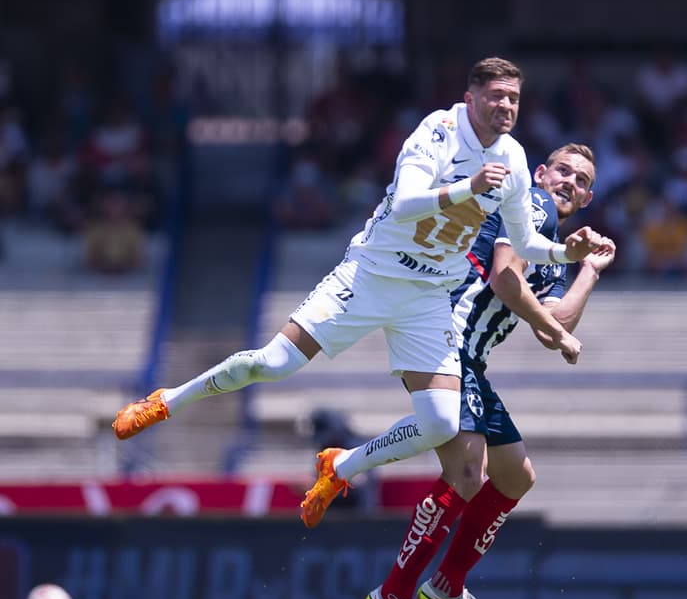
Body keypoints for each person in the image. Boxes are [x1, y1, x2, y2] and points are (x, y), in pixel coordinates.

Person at [112, 57, 612, 535]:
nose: (507, 107)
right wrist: (467, 188)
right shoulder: (437, 132)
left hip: (428, 296)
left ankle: (341, 466)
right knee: (272, 363)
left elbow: (527, 245)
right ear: (471, 97)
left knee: (440, 423)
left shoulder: (514, 158)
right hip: (371, 276)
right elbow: (405, 206)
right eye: (497, 96)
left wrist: (568, 254)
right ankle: (166, 401)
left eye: (515, 100)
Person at [365, 143, 613, 599]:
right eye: (561, 170)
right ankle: (393, 595)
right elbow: (505, 281)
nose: (568, 181)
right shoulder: (533, 207)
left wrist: (589, 270)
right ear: (540, 174)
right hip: (444, 340)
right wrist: (562, 338)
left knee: (516, 476)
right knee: (467, 474)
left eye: (581, 179)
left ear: (588, 197)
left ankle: (447, 586)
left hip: (469, 358)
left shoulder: (550, 245)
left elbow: (554, 324)